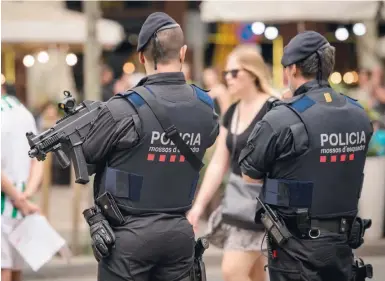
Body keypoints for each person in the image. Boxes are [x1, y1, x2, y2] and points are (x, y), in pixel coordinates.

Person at [80, 12, 219, 281]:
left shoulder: (123, 108)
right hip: (180, 233)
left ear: (141, 56)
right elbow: (209, 138)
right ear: (183, 53)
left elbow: (86, 156)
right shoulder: (205, 107)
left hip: (128, 238)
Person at [239, 31, 373, 281]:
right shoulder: (359, 114)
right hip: (343, 244)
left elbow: (249, 173)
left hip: (296, 249)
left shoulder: (282, 118)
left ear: (291, 69)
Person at [188, 45, 275, 281]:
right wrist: (198, 206)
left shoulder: (273, 108)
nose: (228, 78)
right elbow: (218, 163)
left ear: (252, 73)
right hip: (239, 204)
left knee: (232, 271)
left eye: (234, 72)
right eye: (226, 73)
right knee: (255, 275)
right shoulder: (233, 111)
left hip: (267, 204)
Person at [1, 86, 44, 281]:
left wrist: (18, 198)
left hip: (5, 201)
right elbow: (38, 159)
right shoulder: (23, 112)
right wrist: (26, 195)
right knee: (15, 270)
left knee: (3, 270)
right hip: (21, 206)